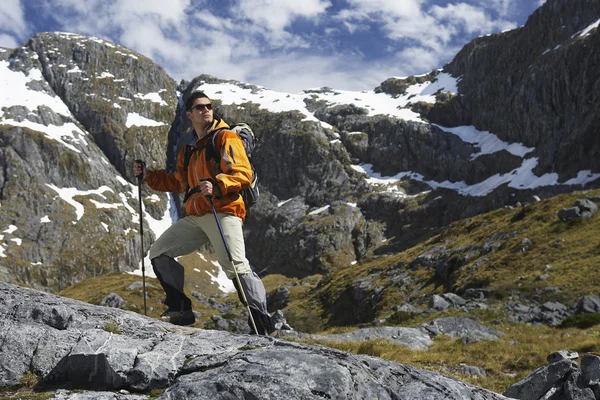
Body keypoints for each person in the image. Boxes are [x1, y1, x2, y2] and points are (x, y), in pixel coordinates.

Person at [133, 91, 275, 335]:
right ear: (189, 114)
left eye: (209, 106)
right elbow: (178, 182)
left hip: (223, 211)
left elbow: (242, 174)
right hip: (197, 215)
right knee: (158, 252)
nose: (206, 110)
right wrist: (148, 176)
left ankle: (264, 326)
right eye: (200, 107)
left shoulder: (226, 137)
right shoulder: (188, 149)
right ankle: (181, 311)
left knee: (236, 266)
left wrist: (217, 185)